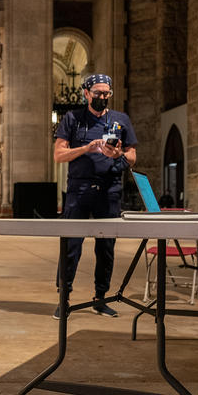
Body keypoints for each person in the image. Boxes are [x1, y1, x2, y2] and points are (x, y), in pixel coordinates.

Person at [53, 73, 138, 318]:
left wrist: (118, 155)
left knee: (106, 248)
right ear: (86, 93)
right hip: (79, 190)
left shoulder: (121, 120)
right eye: (98, 93)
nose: (102, 97)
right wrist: (86, 148)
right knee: (71, 245)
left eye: (106, 93)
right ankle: (64, 299)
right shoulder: (73, 119)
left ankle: (100, 298)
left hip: (109, 190)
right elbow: (59, 155)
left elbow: (132, 157)